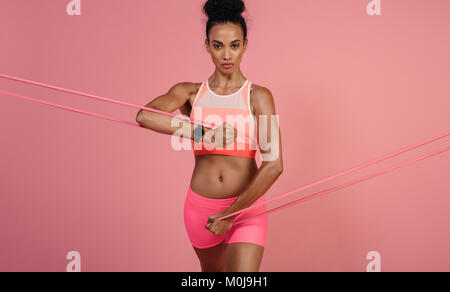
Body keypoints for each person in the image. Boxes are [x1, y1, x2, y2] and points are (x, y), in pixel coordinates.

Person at [136, 0, 283, 272]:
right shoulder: (191, 93)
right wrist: (204, 133)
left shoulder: (259, 97)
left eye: (234, 45)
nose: (227, 55)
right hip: (200, 209)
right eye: (218, 46)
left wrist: (231, 214)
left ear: (245, 45)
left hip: (245, 209)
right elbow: (145, 116)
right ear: (207, 46)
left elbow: (274, 165)